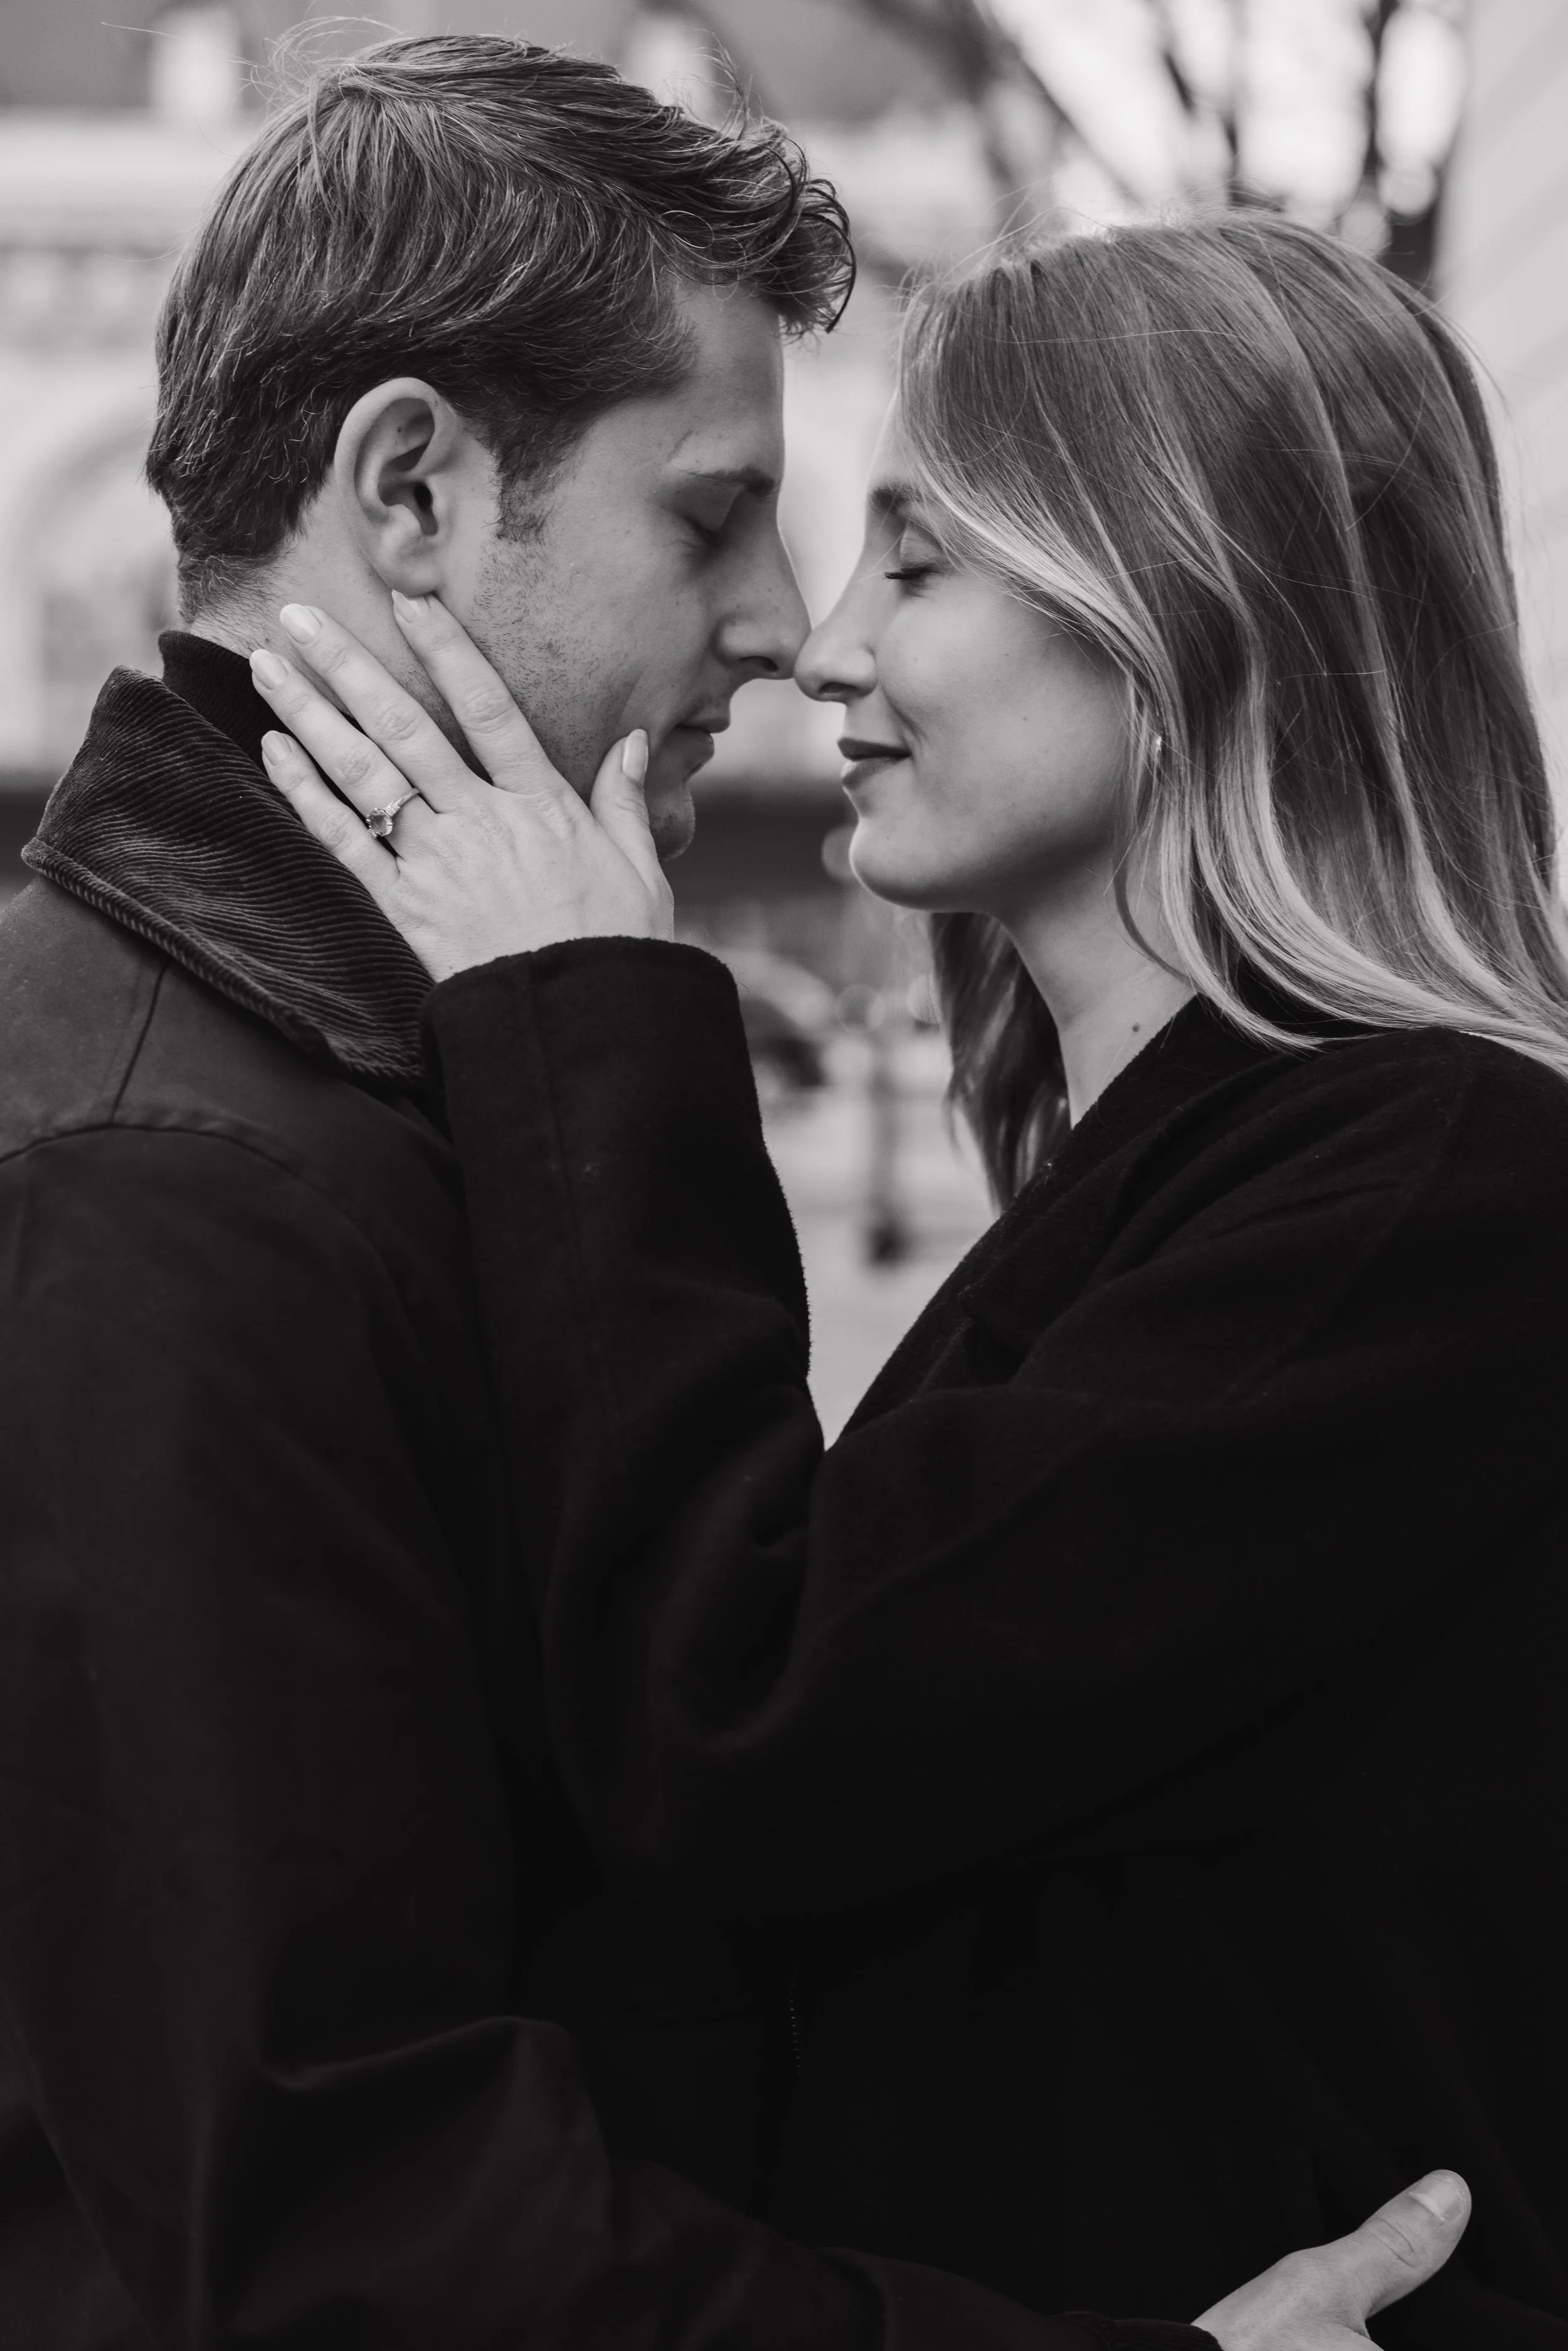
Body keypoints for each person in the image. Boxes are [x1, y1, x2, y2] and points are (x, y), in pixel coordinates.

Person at [0, 34, 1457, 2351]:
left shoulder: (374, 1087)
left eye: (901, 544)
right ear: (410, 491)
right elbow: (337, 2232)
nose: (794, 634)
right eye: (713, 513)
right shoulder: (175, 1180)